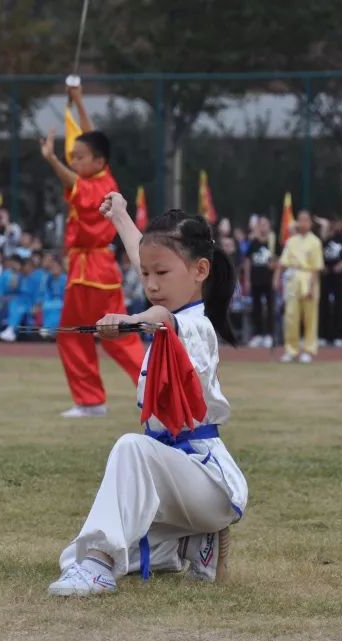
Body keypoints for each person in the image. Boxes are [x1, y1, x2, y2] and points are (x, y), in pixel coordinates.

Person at [47, 194, 246, 596]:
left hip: (208, 482)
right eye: (145, 275)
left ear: (199, 270)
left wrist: (130, 319)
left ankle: (100, 568)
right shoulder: (170, 299)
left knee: (130, 448)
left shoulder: (194, 324)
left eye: (161, 274)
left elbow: (160, 317)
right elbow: (148, 258)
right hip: (174, 483)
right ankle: (191, 544)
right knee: (72, 555)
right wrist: (120, 215)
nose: (151, 284)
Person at [39, 83, 143, 417]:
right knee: (81, 335)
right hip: (89, 270)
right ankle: (94, 399)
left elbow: (74, 183)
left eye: (80, 157)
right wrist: (80, 101)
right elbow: (91, 133)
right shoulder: (103, 175)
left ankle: (135, 389)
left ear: (99, 161)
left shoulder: (100, 184)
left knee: (107, 335)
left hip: (93, 270)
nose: (75, 160)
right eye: (73, 157)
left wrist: (52, 159)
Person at [276, 210, 324, 363]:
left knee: (309, 317)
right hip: (293, 279)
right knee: (291, 315)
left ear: (310, 223)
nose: (303, 223)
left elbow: (316, 268)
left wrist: (311, 287)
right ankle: (291, 349)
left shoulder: (315, 242)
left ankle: (308, 349)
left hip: (308, 277)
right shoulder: (291, 241)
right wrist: (276, 277)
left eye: (306, 220)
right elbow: (283, 262)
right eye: (300, 220)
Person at [242, 221, 276, 348]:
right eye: (261, 225)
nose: (263, 227)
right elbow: (247, 261)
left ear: (269, 227)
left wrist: (275, 271)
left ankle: (269, 335)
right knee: (256, 308)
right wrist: (247, 280)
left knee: (270, 308)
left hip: (269, 281)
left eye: (265, 225)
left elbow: (279, 260)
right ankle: (257, 334)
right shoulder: (253, 243)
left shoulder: (272, 243)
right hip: (255, 280)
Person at [320, 221, 342, 348]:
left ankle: (338, 335)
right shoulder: (321, 238)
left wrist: (341, 265)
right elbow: (317, 252)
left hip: (338, 275)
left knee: (339, 304)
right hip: (325, 275)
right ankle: (323, 335)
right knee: (323, 305)